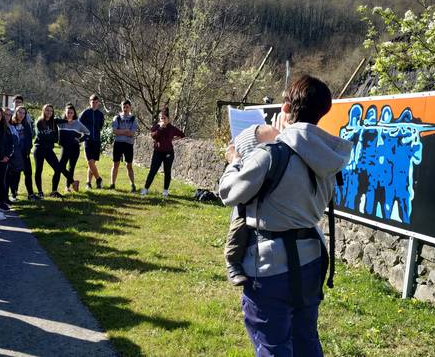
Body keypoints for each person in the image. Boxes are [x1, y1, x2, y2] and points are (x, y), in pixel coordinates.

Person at [218, 75, 352, 356]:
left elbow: (229, 191)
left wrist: (234, 161)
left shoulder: (270, 154)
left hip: (270, 265)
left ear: (286, 108)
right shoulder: (328, 156)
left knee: (273, 345)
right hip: (312, 259)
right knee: (306, 340)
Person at [223, 124, 281, 286]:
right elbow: (229, 190)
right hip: (248, 194)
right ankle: (233, 263)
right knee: (239, 225)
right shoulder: (251, 156)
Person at [141, 107, 185, 197]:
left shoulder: (172, 128)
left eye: (164, 118)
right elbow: (153, 136)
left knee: (167, 171)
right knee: (153, 171)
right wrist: (160, 128)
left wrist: (172, 139)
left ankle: (165, 191)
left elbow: (182, 135)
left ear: (168, 119)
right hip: (158, 152)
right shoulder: (157, 127)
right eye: (161, 118)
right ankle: (145, 189)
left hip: (168, 152)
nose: (163, 120)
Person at [34, 104, 67, 198]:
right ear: (44, 111)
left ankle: (54, 192)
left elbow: (56, 137)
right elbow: (41, 137)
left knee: (58, 169)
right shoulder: (39, 122)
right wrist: (52, 138)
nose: (49, 112)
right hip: (39, 149)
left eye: (51, 111)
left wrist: (70, 120)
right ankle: (40, 192)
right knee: (38, 170)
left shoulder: (54, 122)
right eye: (47, 110)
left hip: (48, 149)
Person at [57, 103, 90, 192]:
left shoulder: (78, 124)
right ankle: (73, 182)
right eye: (68, 112)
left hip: (75, 149)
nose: (69, 114)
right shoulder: (61, 123)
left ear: (74, 113)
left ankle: (67, 187)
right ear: (65, 113)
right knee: (61, 167)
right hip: (65, 148)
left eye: (71, 113)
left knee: (71, 167)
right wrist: (63, 120)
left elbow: (87, 133)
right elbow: (53, 121)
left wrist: (80, 140)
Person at [110, 100, 138, 192]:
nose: (125, 109)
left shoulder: (133, 119)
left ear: (130, 107)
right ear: (121, 107)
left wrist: (121, 131)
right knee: (115, 164)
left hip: (128, 144)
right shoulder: (116, 117)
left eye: (127, 107)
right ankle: (112, 184)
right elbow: (114, 131)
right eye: (124, 107)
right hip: (118, 144)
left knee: (129, 165)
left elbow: (132, 133)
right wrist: (125, 131)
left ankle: (133, 185)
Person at [79, 94, 105, 189]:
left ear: (98, 103)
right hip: (87, 140)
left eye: (96, 102)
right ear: (90, 102)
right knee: (90, 162)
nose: (94, 104)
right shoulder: (85, 113)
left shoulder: (100, 114)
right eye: (92, 102)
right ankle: (98, 179)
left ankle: (88, 183)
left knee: (92, 163)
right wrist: (83, 135)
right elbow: (79, 124)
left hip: (97, 140)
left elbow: (101, 126)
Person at [10, 105, 35, 199]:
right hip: (15, 155)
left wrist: (29, 148)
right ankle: (13, 194)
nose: (21, 115)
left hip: (25, 153)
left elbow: (29, 139)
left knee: (28, 173)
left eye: (24, 113)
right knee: (16, 175)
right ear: (15, 113)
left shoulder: (26, 125)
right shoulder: (11, 124)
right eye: (19, 112)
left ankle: (31, 194)